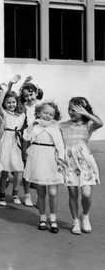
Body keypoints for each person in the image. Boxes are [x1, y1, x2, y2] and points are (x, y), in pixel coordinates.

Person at [59, 97, 103, 234]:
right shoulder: (63, 125)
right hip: (69, 161)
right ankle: (75, 222)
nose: (71, 112)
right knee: (73, 193)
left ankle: (85, 215)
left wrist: (87, 114)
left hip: (85, 161)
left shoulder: (88, 124)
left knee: (86, 194)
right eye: (70, 109)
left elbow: (100, 123)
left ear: (83, 111)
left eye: (75, 110)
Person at [23, 101, 64, 233]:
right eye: (45, 113)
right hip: (38, 159)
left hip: (51, 159)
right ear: (39, 113)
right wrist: (33, 124)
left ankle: (53, 218)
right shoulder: (35, 126)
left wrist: (61, 160)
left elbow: (60, 146)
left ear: (54, 116)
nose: (47, 116)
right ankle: (42, 218)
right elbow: (26, 136)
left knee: (52, 193)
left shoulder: (55, 127)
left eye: (51, 114)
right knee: (41, 192)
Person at [0, 76, 26, 207]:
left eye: (13, 102)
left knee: (19, 169)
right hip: (6, 140)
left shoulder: (21, 114)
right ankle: (2, 194)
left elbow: (23, 98)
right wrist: (9, 85)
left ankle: (15, 193)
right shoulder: (4, 114)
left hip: (17, 142)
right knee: (4, 170)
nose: (11, 105)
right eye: (8, 102)